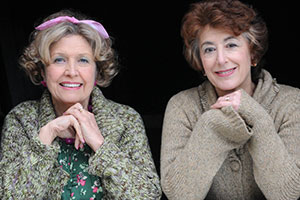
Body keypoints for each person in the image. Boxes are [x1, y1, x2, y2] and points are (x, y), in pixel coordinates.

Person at [0, 10, 161, 199]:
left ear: (97, 71)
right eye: (59, 60)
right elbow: (9, 196)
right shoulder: (21, 119)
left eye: (83, 60)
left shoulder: (126, 119)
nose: (71, 71)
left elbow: (148, 196)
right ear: (43, 71)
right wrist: (45, 137)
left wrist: (101, 146)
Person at [160, 0, 300, 199]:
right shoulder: (182, 106)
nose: (221, 59)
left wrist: (255, 115)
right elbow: (179, 194)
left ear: (253, 53)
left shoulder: (292, 103)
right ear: (200, 61)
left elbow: (287, 193)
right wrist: (210, 124)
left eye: (231, 45)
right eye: (209, 49)